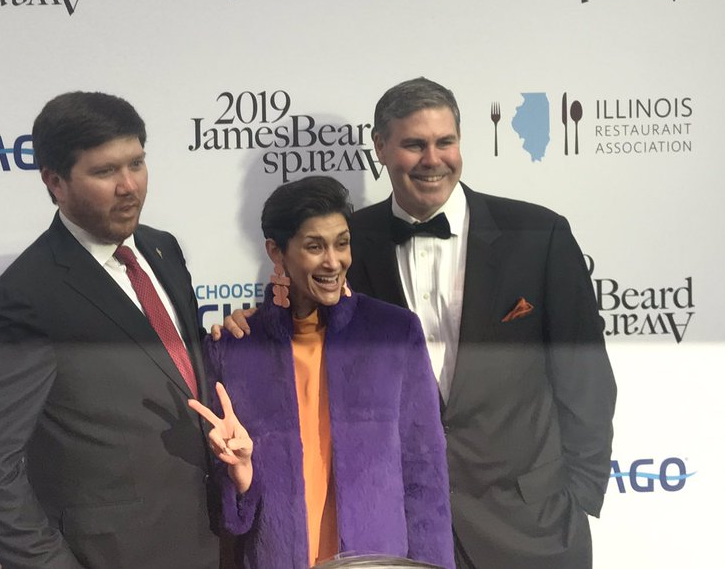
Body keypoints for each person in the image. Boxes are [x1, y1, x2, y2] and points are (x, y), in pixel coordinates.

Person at [222, 79, 616, 569]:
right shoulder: (347, 241)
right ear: (381, 148)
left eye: (445, 142)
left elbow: (586, 377)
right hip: (400, 534)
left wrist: (577, 493)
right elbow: (298, 330)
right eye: (414, 144)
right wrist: (248, 323)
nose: (433, 158)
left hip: (530, 523)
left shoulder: (539, 235)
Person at [0, 91, 217, 569]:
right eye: (104, 171)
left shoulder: (162, 250)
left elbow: (178, 379)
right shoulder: (23, 300)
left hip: (208, 541)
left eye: (137, 163)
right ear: (55, 182)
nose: (129, 186)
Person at [192, 176, 454, 569]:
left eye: (342, 243)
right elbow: (228, 511)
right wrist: (240, 476)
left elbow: (425, 476)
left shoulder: (394, 333)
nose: (333, 261)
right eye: (315, 246)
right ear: (277, 252)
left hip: (377, 563)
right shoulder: (236, 347)